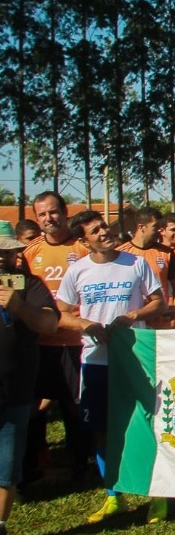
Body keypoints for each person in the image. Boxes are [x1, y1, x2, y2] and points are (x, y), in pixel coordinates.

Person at [54, 211, 163, 524]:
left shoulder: (136, 263)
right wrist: (86, 324)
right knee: (101, 431)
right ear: (84, 241)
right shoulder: (78, 271)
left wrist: (132, 315)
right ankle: (113, 496)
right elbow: (61, 313)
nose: (104, 232)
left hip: (135, 362)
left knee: (147, 426)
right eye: (95, 231)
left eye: (104, 226)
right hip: (96, 361)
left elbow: (159, 302)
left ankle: (158, 494)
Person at [22, 191, 91, 485]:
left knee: (75, 405)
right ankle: (35, 463)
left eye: (53, 212)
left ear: (65, 213)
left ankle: (80, 463)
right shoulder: (30, 253)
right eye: (42, 215)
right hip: (40, 343)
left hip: (74, 341)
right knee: (35, 405)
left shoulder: (83, 249)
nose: (48, 219)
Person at [0, 224, 58, 535]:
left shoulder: (29, 285)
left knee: (6, 468)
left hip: (17, 391)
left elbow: (49, 324)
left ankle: (1, 530)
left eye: (7, 251)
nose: (2, 258)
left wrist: (20, 306)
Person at [117, 208, 175, 328]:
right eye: (155, 226)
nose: (159, 231)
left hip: (160, 324)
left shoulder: (166, 253)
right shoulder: (120, 253)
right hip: (131, 324)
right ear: (142, 227)